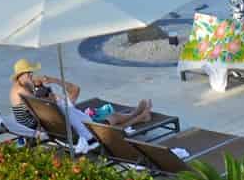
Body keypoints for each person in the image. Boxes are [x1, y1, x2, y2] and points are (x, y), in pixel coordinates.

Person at [8, 59, 152, 149]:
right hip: (80, 132)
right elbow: (75, 89)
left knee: (109, 117)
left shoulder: (47, 106)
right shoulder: (35, 98)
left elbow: (37, 103)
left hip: (55, 125)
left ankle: (135, 113)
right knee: (111, 123)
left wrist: (47, 91)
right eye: (29, 74)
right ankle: (139, 117)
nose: (31, 76)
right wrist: (53, 82)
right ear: (21, 75)